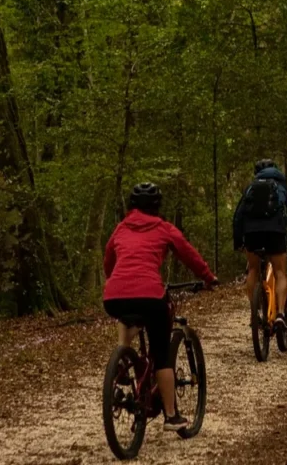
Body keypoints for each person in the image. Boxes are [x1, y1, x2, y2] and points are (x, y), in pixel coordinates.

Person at [103, 182, 218, 432]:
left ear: (132, 206)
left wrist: (115, 281)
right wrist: (208, 277)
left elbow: (108, 258)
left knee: (127, 315)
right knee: (162, 354)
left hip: (113, 296)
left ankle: (123, 358)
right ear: (157, 207)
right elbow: (188, 253)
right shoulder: (163, 228)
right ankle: (171, 415)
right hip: (150, 295)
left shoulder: (121, 228)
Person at [232, 159, 287, 330]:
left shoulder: (250, 188)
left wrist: (238, 242)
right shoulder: (280, 185)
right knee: (280, 272)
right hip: (275, 231)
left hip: (251, 233)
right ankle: (281, 314)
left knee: (252, 269)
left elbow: (238, 217)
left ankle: (255, 314)